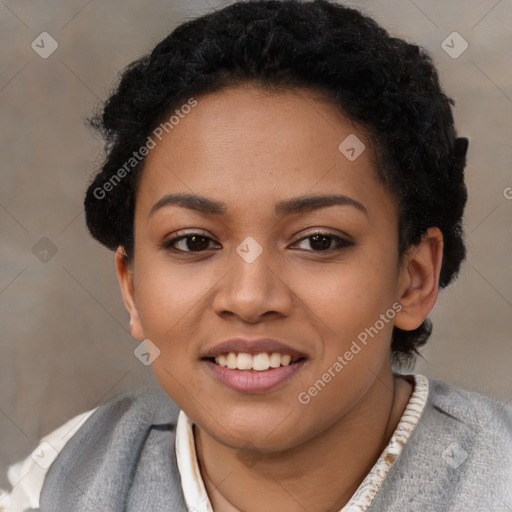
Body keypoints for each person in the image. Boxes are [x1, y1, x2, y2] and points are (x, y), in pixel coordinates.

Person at [2, 1, 511, 511]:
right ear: (131, 286)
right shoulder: (61, 481)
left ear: (414, 278)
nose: (249, 298)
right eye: (193, 241)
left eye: (318, 241)